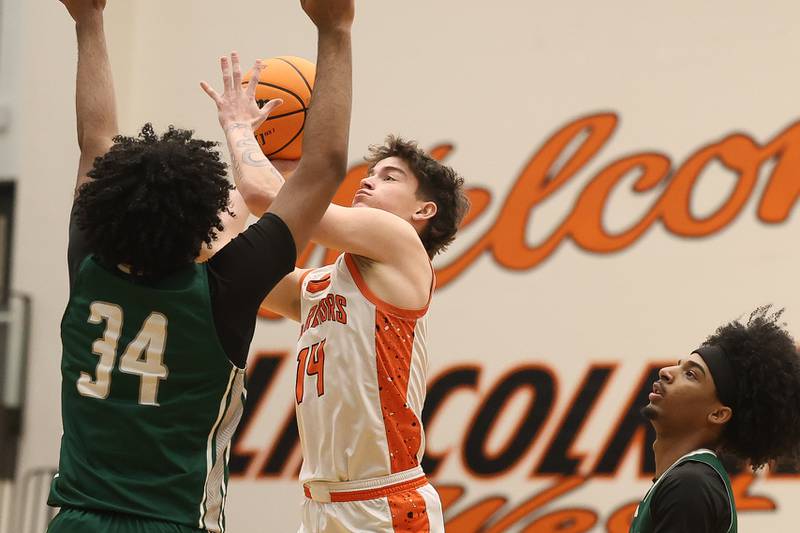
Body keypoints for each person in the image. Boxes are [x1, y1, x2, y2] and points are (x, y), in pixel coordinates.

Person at [47, 0, 354, 532]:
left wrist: (88, 21)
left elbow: (96, 142)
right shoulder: (222, 292)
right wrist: (336, 29)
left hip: (76, 520)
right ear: (202, 221)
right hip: (174, 522)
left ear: (106, 209)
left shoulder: (90, 266)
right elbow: (324, 166)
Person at [211, 64, 469, 532]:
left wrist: (240, 131)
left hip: (385, 504)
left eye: (390, 177)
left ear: (423, 211)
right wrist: (276, 168)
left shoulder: (400, 243)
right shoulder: (320, 286)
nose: (368, 181)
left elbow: (264, 195)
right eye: (370, 173)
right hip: (321, 506)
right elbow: (222, 258)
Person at [629, 306, 800, 533]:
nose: (666, 371)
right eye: (680, 365)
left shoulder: (690, 485)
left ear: (718, 414)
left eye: (691, 374)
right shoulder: (687, 479)